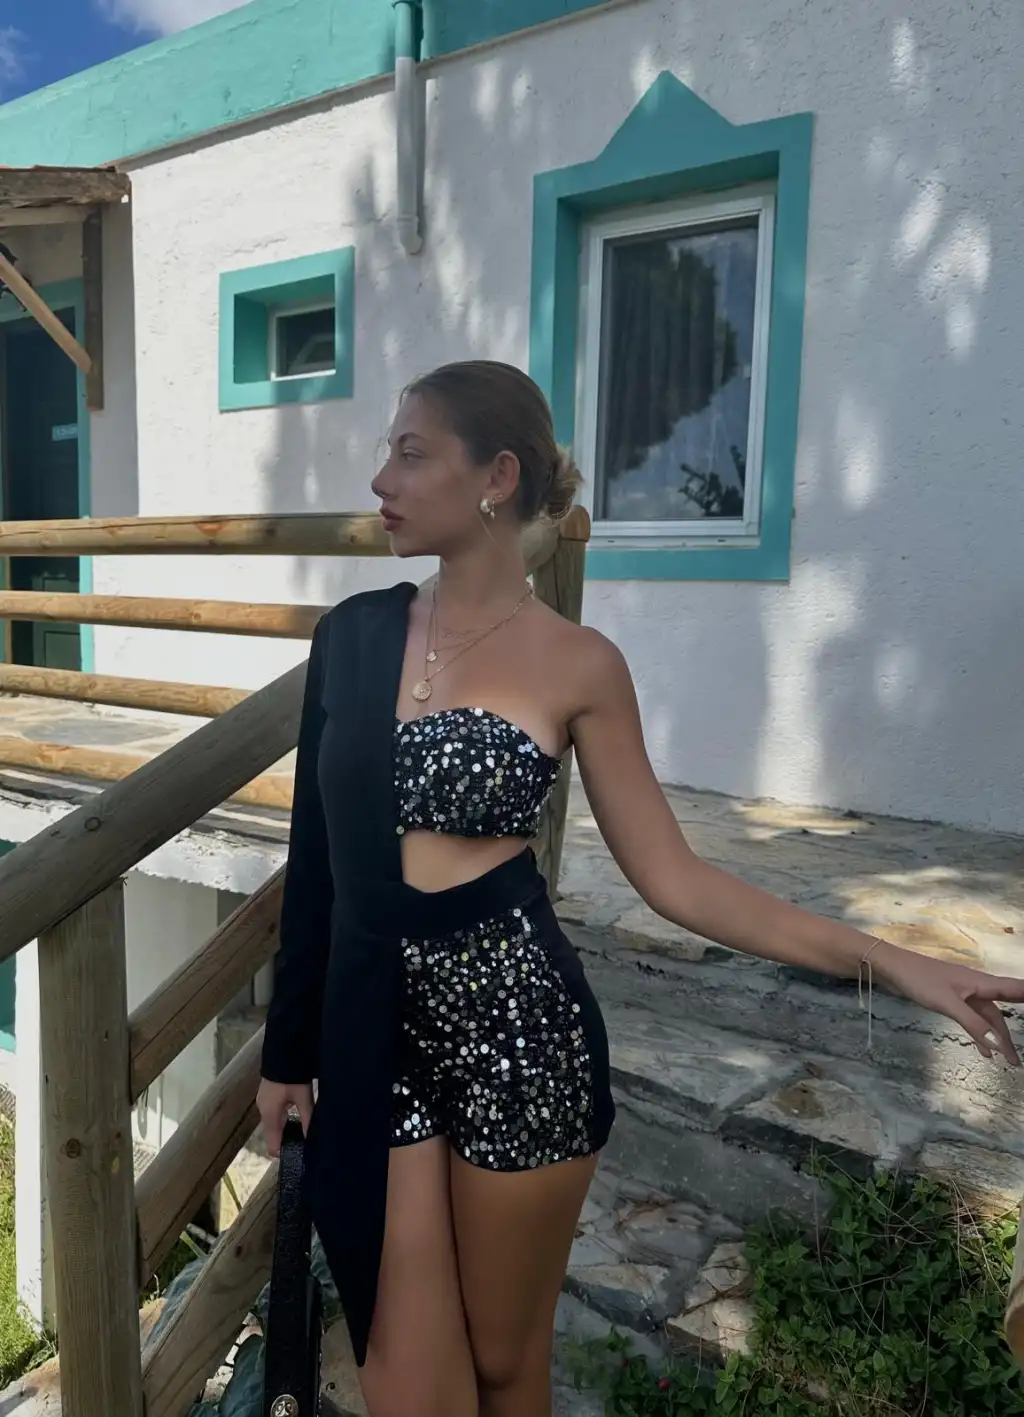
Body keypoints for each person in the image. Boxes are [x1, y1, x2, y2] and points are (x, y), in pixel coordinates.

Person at [257, 360, 1023, 1417]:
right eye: (389, 452)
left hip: (520, 1034)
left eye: (411, 452)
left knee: (504, 1368)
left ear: (497, 476)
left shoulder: (579, 663)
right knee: (404, 1377)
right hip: (367, 1031)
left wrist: (897, 962)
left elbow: (676, 879)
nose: (382, 477)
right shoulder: (351, 635)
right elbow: (316, 860)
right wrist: (286, 1052)